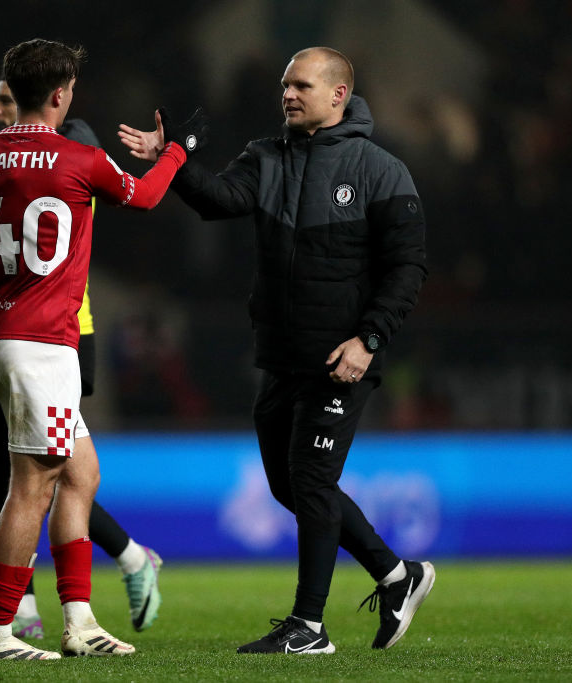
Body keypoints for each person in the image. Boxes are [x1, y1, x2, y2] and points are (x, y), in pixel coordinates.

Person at [0, 38, 206, 661]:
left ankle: (79, 622)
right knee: (32, 485)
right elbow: (145, 195)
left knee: (80, 474)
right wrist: (178, 151)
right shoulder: (79, 159)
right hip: (44, 344)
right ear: (60, 96)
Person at [118, 46, 433, 653]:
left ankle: (309, 627)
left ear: (339, 95)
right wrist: (174, 159)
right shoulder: (265, 157)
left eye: (302, 86)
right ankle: (398, 576)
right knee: (291, 488)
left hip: (343, 359)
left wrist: (369, 339)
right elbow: (218, 201)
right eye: (285, 86)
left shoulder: (381, 169)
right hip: (281, 356)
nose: (288, 95)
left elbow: (408, 269)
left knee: (312, 481)